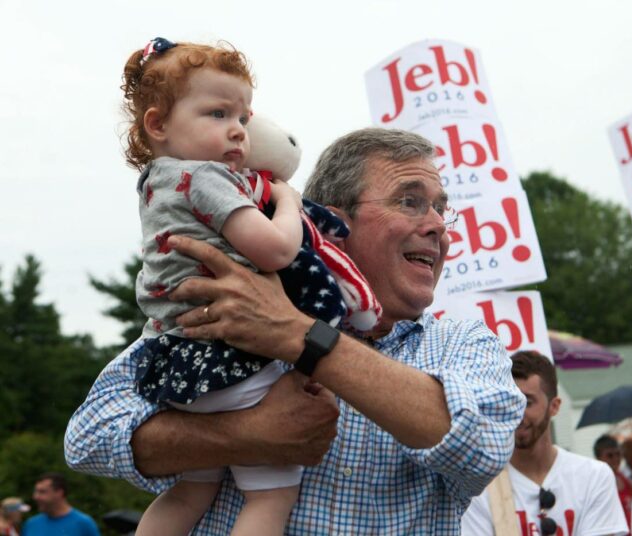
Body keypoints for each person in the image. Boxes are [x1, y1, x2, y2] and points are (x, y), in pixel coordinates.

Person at [65, 126, 527, 534]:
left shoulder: (462, 342)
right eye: (410, 202)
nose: (436, 228)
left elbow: (481, 446)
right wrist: (245, 432)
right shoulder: (232, 310)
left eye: (441, 210)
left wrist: (296, 334)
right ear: (332, 224)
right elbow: (89, 436)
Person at [117, 37, 381, 536]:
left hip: (175, 360)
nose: (239, 131)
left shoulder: (156, 182)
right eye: (218, 114)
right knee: (271, 495)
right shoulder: (206, 179)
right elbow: (276, 251)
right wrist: (287, 203)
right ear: (158, 125)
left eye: (243, 117)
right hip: (231, 363)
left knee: (191, 490)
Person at [461, 351, 629, 536]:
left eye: (527, 402)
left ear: (554, 406)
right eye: (509, 401)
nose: (516, 413)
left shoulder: (593, 476)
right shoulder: (479, 485)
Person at [22, 473, 99, 536]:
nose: (35, 497)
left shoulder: (83, 524)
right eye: (36, 492)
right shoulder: (31, 524)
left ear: (59, 493)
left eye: (42, 492)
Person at [594, 434, 632, 532]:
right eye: (610, 455)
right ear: (598, 458)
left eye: (618, 454)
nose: (615, 459)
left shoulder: (623, 477)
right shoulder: (597, 484)